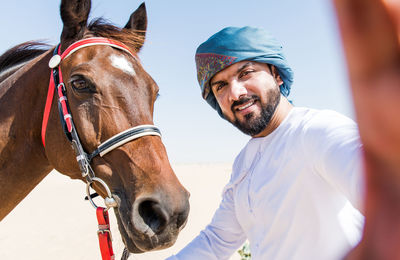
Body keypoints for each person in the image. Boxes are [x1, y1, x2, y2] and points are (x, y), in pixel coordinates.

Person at [167, 26, 365, 260]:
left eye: (246, 73)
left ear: (276, 74)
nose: (236, 93)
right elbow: (216, 242)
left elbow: (382, 194)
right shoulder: (243, 164)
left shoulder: (316, 131)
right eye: (220, 86)